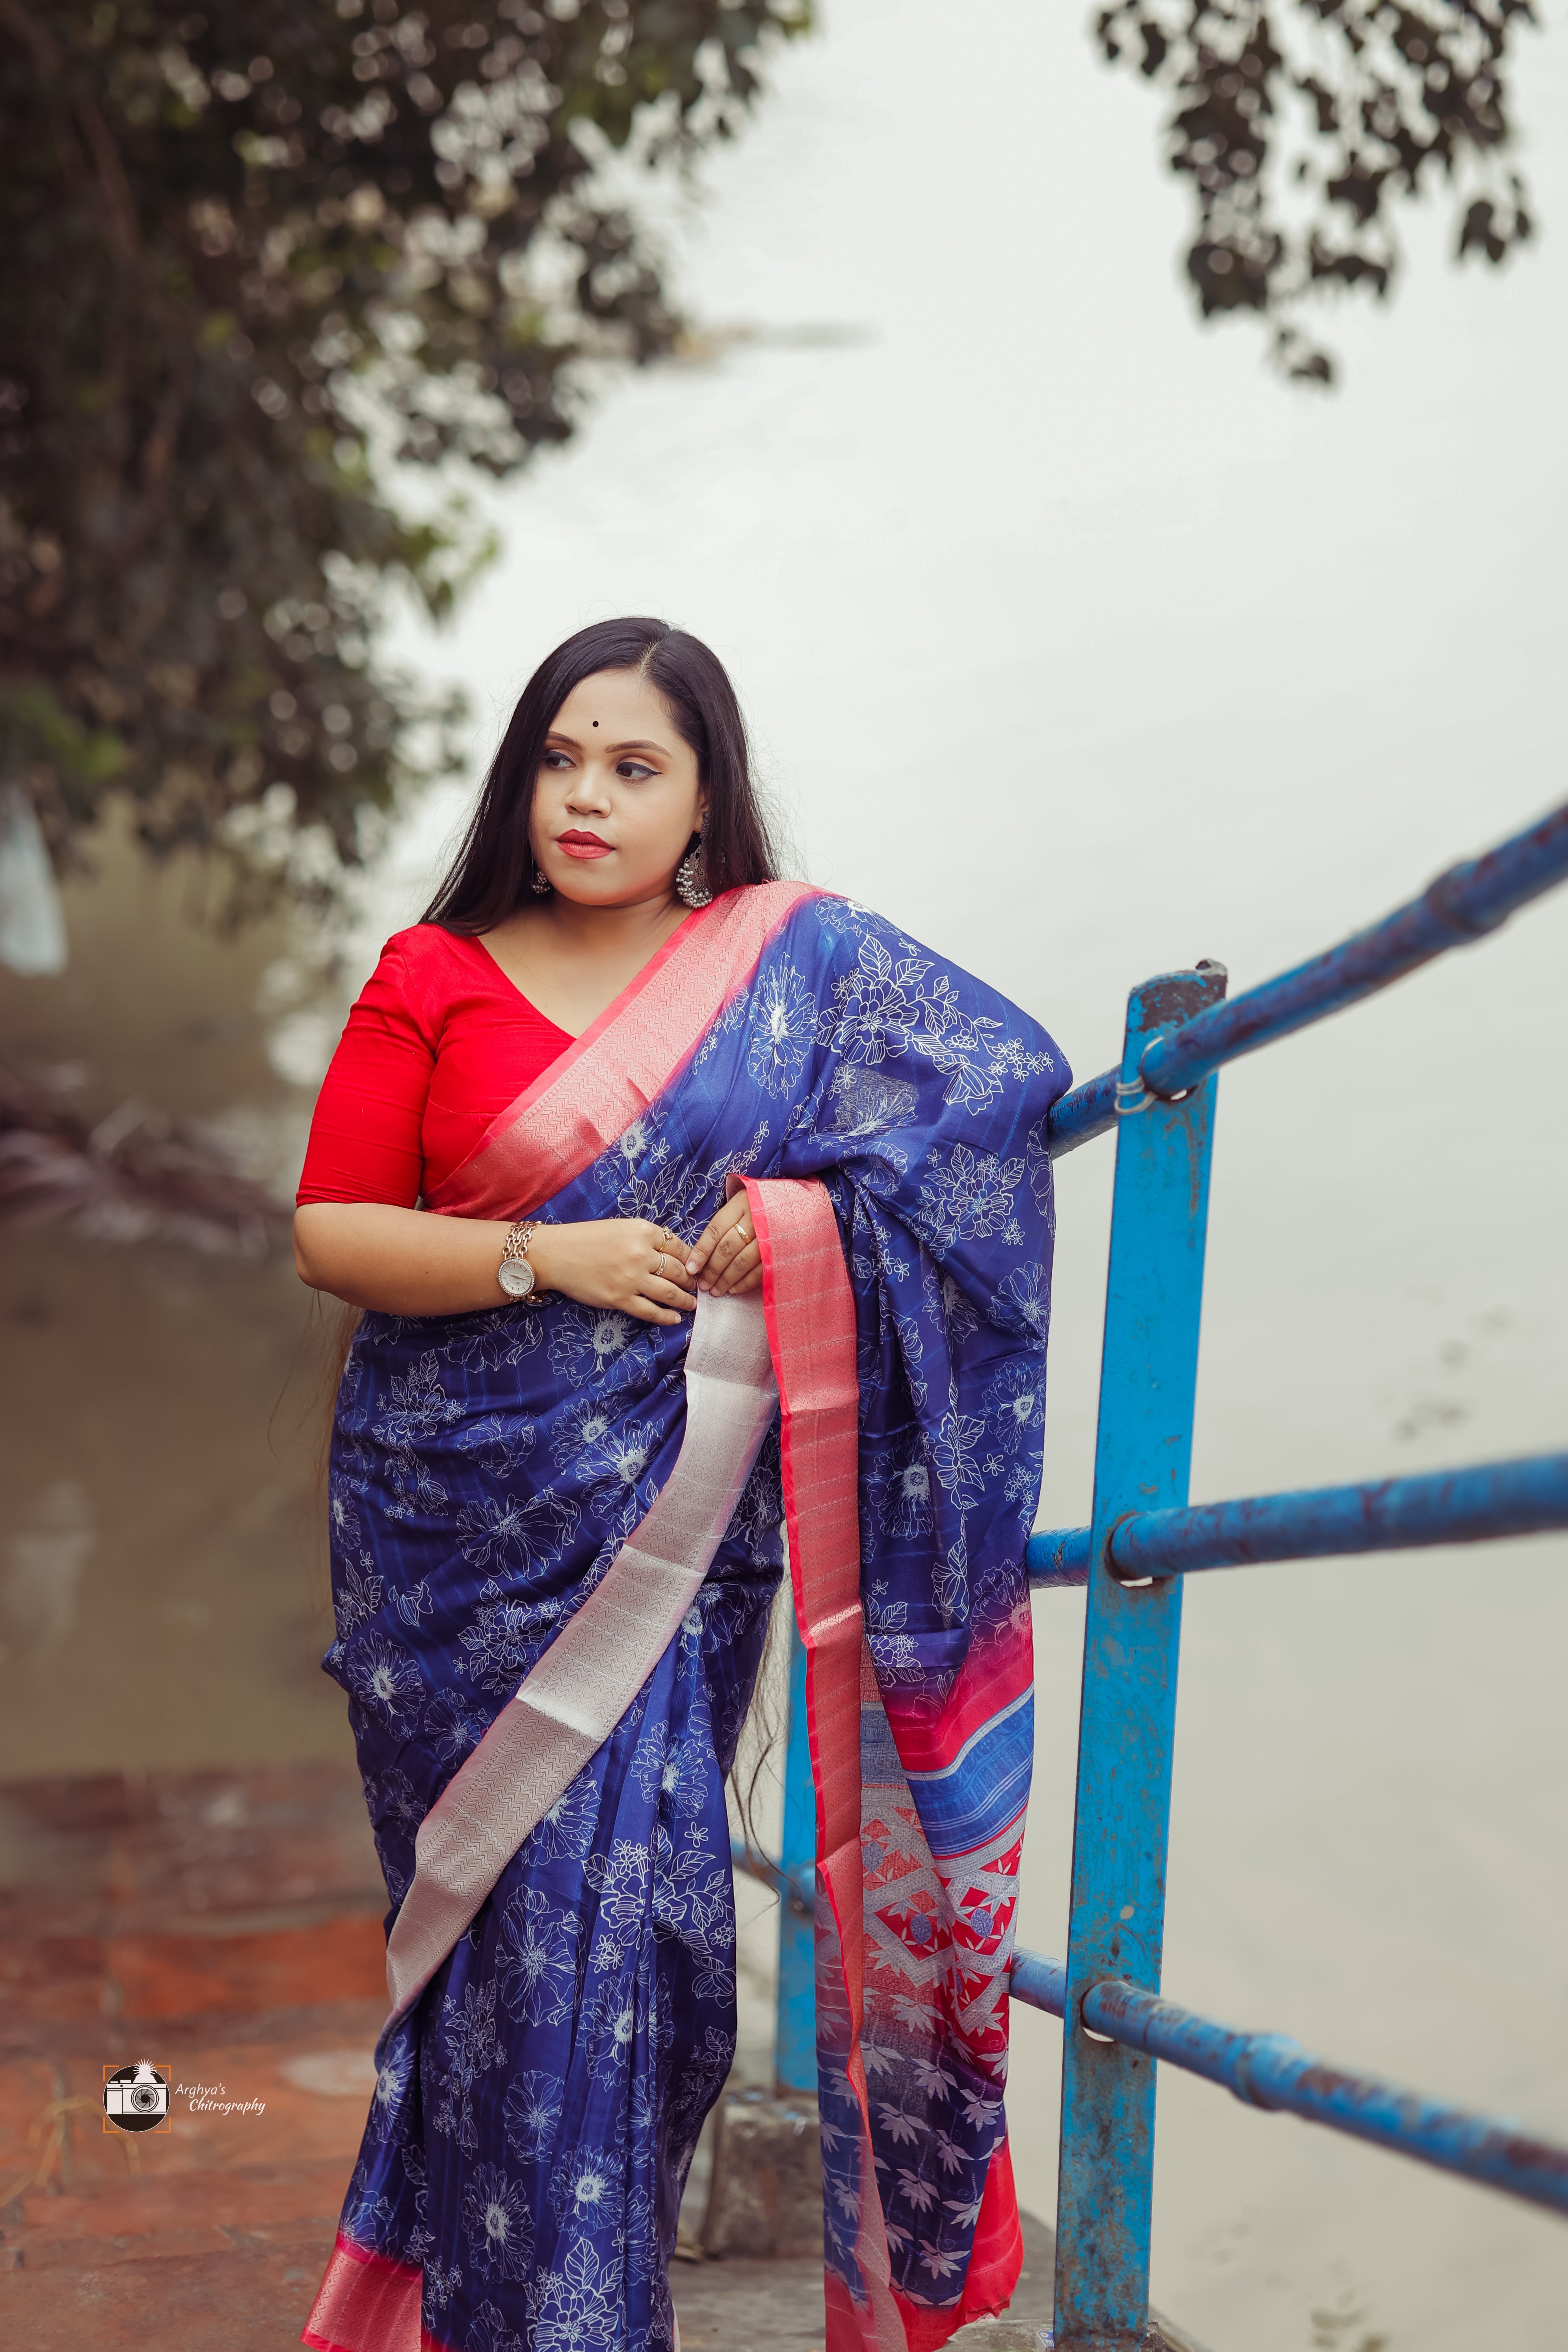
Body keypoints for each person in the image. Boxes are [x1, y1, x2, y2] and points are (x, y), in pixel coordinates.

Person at [292, 618, 1070, 2352]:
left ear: (705, 800)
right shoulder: (433, 969)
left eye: (632, 766)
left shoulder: (787, 964)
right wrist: (541, 1262)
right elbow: (330, 1232)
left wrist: (805, 1218)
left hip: (672, 1535)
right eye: (559, 757)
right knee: (510, 1951)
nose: (584, 797)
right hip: (451, 1540)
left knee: (641, 1945)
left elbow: (994, 1092)